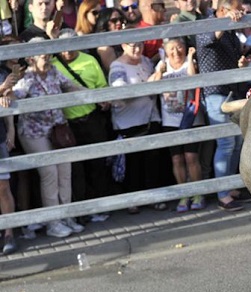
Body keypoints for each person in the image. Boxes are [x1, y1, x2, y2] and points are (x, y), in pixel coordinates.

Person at [5, 37, 85, 238]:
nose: (47, 56)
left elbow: (71, 86)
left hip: (57, 131)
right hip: (34, 133)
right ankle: (53, 222)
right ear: (31, 58)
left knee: (65, 170)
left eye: (48, 52)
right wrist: (7, 95)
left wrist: (96, 96)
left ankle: (67, 216)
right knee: (50, 172)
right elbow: (15, 96)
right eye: (42, 53)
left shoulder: (54, 72)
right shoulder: (27, 78)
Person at [196, 0, 251, 211]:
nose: (241, 14)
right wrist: (227, 21)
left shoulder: (230, 31)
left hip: (232, 90)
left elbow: (233, 57)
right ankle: (222, 194)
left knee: (237, 143)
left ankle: (230, 188)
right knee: (226, 144)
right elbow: (210, 39)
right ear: (223, 10)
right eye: (236, 10)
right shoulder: (207, 24)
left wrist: (244, 60)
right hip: (215, 93)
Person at [51, 28, 111, 223]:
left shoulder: (90, 60)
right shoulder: (53, 66)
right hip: (68, 125)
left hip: (91, 119)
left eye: (71, 47)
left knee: (97, 165)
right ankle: (81, 211)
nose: (67, 51)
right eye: (63, 48)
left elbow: (102, 88)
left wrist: (104, 101)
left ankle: (99, 207)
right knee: (76, 170)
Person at [108, 33, 165, 214]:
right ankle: (132, 200)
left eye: (139, 45)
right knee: (133, 164)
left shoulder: (146, 62)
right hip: (128, 122)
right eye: (132, 45)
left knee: (153, 161)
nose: (136, 49)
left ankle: (153, 198)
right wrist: (152, 81)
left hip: (150, 118)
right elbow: (121, 93)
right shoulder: (117, 66)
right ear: (123, 45)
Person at [154, 38, 206, 212]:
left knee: (191, 157)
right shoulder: (162, 65)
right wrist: (160, 72)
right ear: (165, 51)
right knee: (177, 158)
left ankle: (198, 193)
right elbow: (151, 86)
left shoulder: (189, 63)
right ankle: (184, 194)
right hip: (170, 120)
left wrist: (190, 58)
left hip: (191, 117)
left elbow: (193, 79)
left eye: (179, 47)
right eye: (171, 49)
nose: (176, 52)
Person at [0, 58, 18, 254]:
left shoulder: (2, 71)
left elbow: (10, 97)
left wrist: (11, 129)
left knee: (3, 188)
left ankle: (9, 233)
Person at [94, 7, 126, 74]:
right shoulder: (105, 48)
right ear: (104, 22)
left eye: (121, 19)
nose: (119, 23)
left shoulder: (123, 39)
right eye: (114, 20)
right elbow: (114, 71)